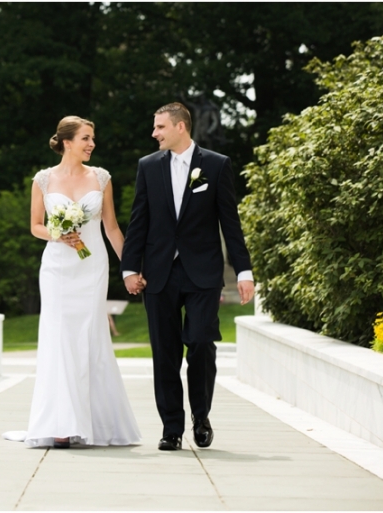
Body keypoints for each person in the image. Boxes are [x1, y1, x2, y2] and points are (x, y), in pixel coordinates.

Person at [120, 102, 254, 451]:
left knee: (200, 344)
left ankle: (201, 416)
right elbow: (139, 220)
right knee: (164, 352)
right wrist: (130, 268)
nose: (154, 133)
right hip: (159, 274)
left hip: (202, 274)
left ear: (181, 127)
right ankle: (171, 428)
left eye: (160, 127)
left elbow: (230, 223)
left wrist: (244, 270)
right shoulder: (148, 167)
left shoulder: (216, 165)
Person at [23, 116, 142, 449]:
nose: (92, 144)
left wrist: (129, 268)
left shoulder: (101, 178)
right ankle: (60, 423)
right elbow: (35, 226)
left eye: (92, 139)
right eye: (86, 138)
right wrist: (58, 234)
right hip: (58, 268)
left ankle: (95, 422)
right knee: (59, 337)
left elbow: (112, 229)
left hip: (92, 268)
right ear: (67, 142)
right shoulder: (43, 180)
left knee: (90, 337)